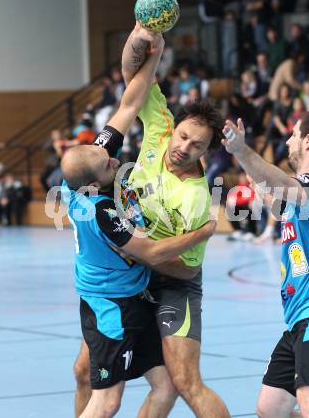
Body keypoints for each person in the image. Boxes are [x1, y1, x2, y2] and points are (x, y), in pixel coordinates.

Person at [73, 24, 231, 418]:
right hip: (132, 272)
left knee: (183, 381)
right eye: (182, 136)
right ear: (173, 128)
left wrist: (142, 254)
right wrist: (142, 37)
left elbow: (186, 267)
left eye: (196, 145)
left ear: (208, 151)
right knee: (83, 373)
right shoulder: (158, 130)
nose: (182, 148)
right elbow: (132, 78)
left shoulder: (196, 198)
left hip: (171, 281)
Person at [221, 111, 309, 417]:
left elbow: (284, 187)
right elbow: (275, 200)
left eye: (294, 135)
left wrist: (243, 150)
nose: (288, 141)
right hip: (302, 315)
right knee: (271, 408)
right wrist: (249, 165)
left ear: (308, 141)